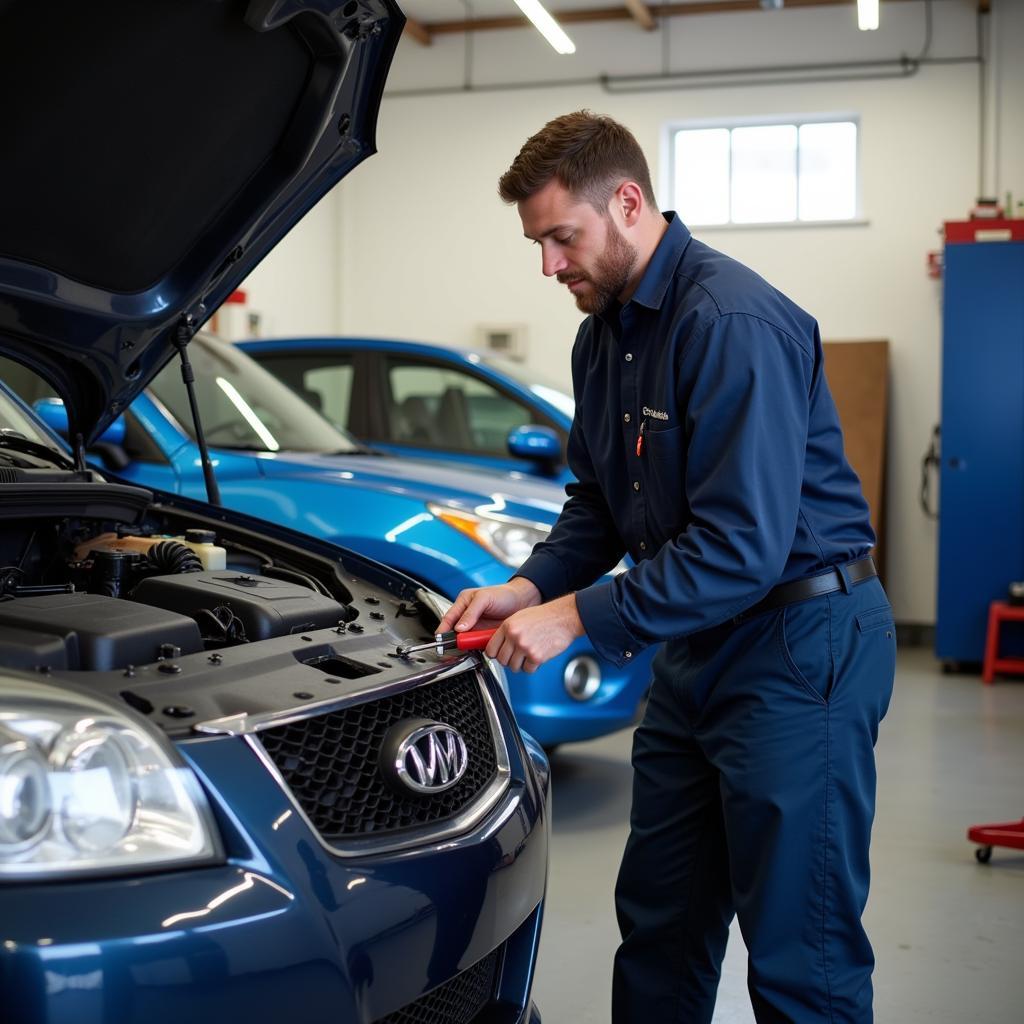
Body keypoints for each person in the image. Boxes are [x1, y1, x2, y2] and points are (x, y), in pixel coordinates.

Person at [437, 111, 895, 1023]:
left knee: (801, 950)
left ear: (630, 203)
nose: (549, 265)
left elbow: (740, 547)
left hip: (800, 651)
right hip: (694, 647)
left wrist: (573, 617)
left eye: (561, 237)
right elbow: (601, 504)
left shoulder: (731, 321)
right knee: (662, 921)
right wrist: (528, 585)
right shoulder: (601, 336)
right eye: (536, 243)